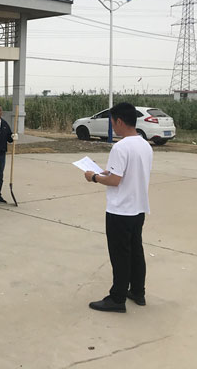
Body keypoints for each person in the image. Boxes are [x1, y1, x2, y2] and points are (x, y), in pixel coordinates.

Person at [83, 102, 153, 313]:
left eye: (112, 122)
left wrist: (94, 177)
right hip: (138, 208)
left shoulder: (120, 147)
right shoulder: (144, 145)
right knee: (136, 251)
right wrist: (107, 172)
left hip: (120, 210)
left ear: (120, 121)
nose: (112, 126)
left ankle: (117, 298)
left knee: (120, 255)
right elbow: (125, 173)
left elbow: (115, 181)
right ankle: (138, 292)